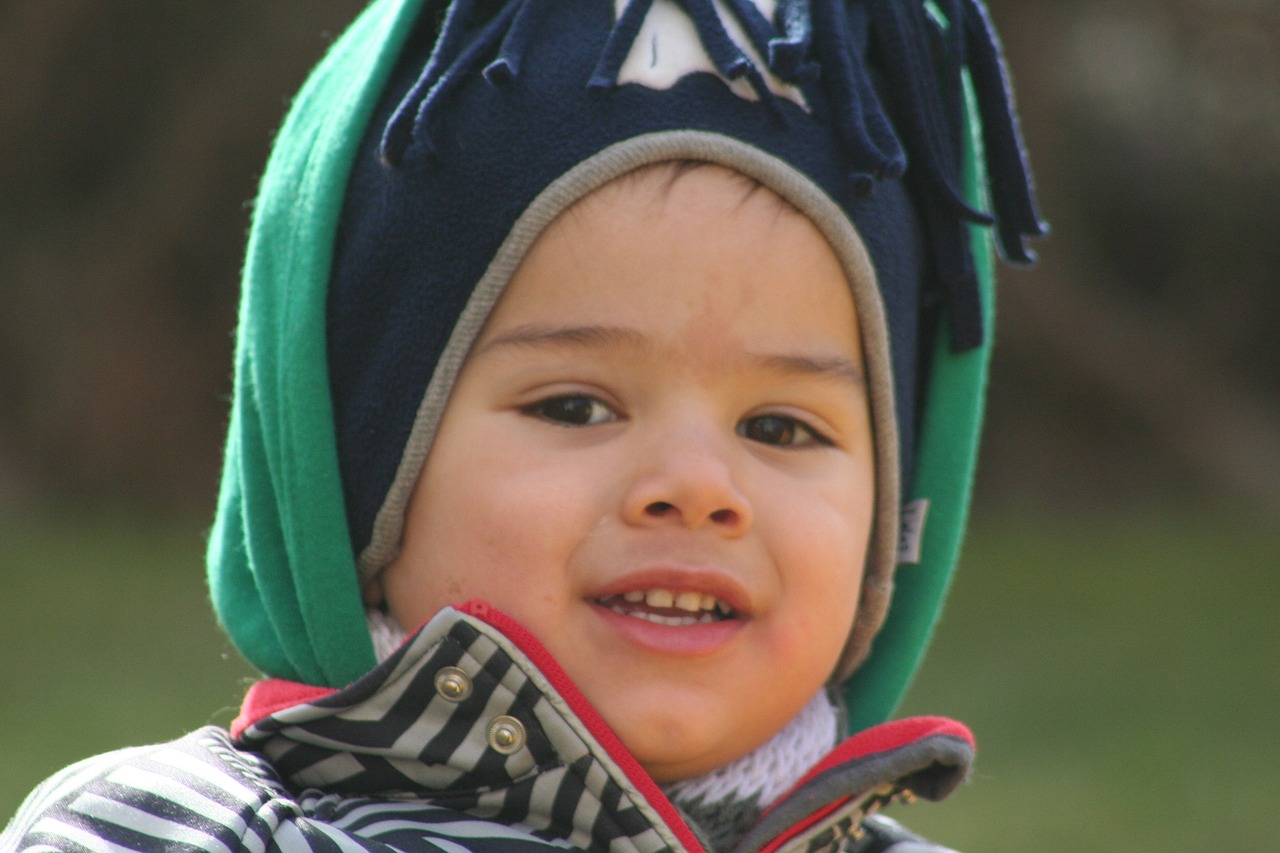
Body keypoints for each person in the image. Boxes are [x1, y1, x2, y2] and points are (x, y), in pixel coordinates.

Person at [3, 1, 1044, 851]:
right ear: (352, 479)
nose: (695, 484)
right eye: (574, 405)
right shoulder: (184, 835)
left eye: (778, 427)